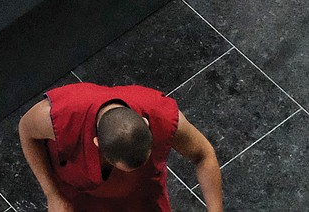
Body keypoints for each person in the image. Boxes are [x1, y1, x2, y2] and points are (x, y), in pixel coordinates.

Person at [19, 82, 223, 212]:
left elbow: (204, 155)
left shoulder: (161, 114)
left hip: (142, 197)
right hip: (79, 198)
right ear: (96, 143)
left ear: (146, 122)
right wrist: (53, 195)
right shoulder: (58, 117)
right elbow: (26, 132)